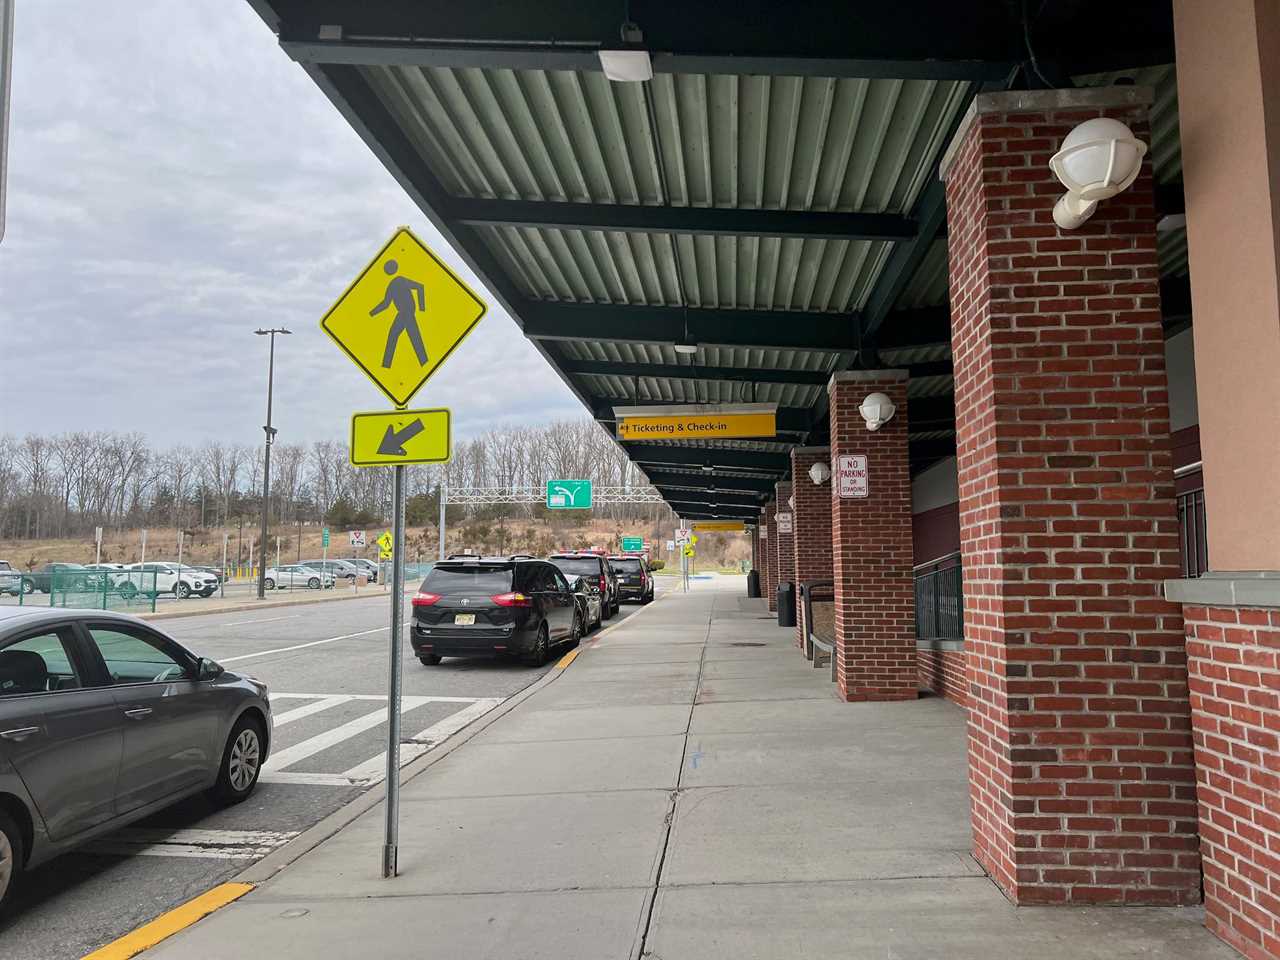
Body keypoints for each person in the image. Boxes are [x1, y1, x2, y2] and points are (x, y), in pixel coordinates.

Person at [370, 259, 427, 368]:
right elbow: (386, 304)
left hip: (407, 313)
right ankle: (386, 366)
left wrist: (422, 308)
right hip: (403, 314)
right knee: (401, 336)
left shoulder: (399, 280)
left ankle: (387, 365)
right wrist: (371, 313)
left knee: (411, 338)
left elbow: (420, 287)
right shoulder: (392, 285)